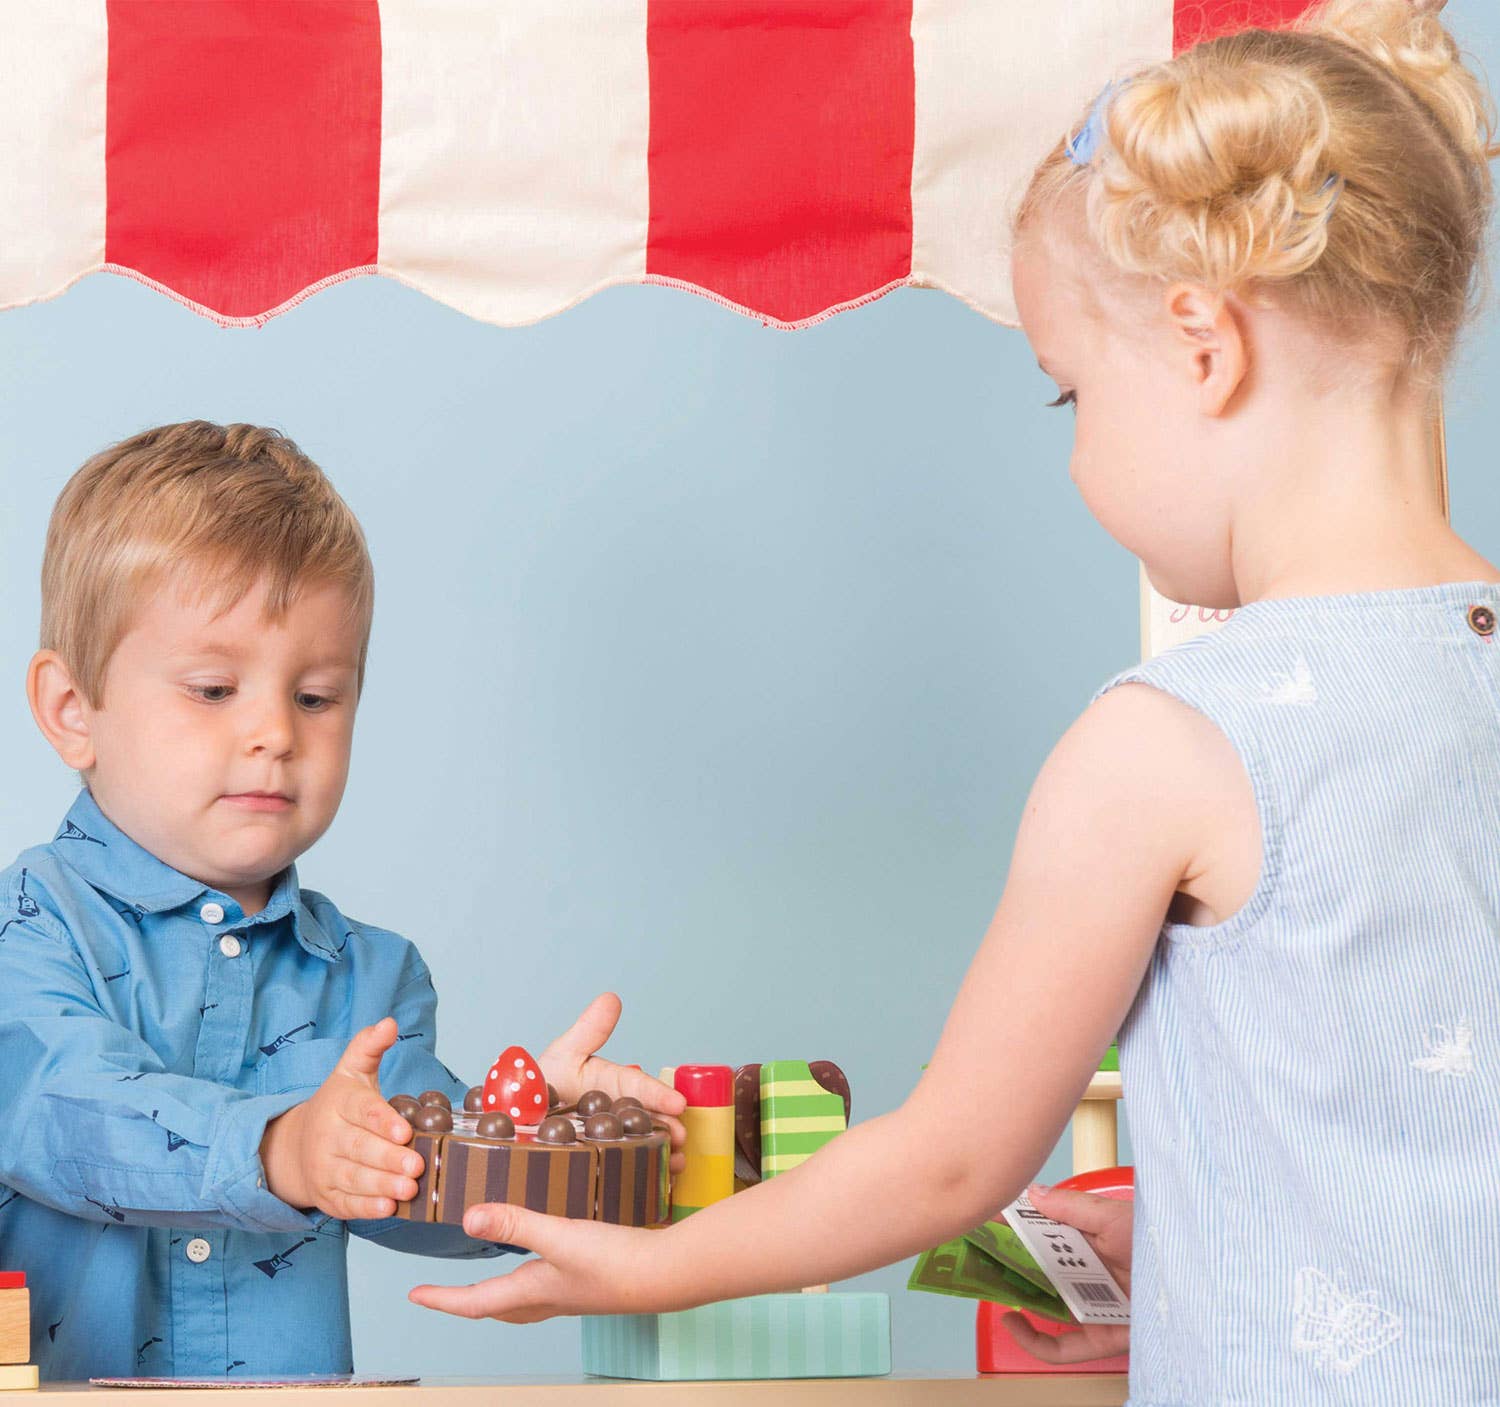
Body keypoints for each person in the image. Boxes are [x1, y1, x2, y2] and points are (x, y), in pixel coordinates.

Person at [409, 1, 1500, 1399]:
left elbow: (951, 1153)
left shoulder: (1168, 741)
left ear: (1204, 345)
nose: (1075, 454)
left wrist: (649, 1264)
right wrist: (1191, 1209)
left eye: (1072, 395)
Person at [0, 421, 684, 1380]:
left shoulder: (373, 979)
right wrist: (278, 1147)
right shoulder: (30, 924)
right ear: (74, 710)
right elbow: (60, 1117)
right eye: (212, 688)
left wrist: (532, 1134)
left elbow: (431, 1202)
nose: (274, 731)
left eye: (318, 697)